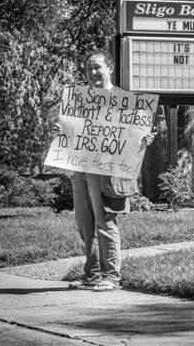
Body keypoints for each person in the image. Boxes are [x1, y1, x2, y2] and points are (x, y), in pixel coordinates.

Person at [60, 51, 154, 291]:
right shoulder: (80, 100)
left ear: (110, 68)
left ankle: (110, 276)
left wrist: (145, 139)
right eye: (88, 68)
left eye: (97, 67)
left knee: (105, 222)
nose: (92, 73)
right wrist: (61, 128)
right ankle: (91, 275)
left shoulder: (125, 100)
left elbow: (137, 135)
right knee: (84, 224)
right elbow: (71, 131)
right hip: (80, 168)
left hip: (106, 171)